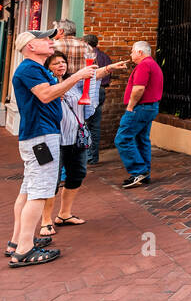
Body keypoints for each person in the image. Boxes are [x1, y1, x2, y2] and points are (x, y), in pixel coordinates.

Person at [7, 29, 114, 266]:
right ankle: (24, 250)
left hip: (39, 135)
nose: (50, 41)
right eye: (44, 39)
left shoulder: (37, 69)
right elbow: (45, 95)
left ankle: (17, 241)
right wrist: (77, 77)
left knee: (28, 189)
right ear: (30, 47)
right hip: (41, 137)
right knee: (41, 190)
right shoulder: (30, 69)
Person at [40, 50, 104, 235]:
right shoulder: (45, 86)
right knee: (50, 180)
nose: (61, 65)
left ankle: (64, 214)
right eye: (55, 63)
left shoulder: (74, 83)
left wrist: (107, 69)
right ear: (47, 67)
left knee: (77, 174)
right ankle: (46, 220)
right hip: (51, 139)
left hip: (75, 137)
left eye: (63, 62)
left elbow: (91, 82)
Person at [115, 40, 164, 189]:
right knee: (141, 140)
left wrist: (130, 106)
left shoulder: (143, 65)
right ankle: (144, 174)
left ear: (140, 53)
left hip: (140, 108)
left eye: (132, 51)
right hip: (150, 108)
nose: (131, 54)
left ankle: (138, 171)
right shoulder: (153, 65)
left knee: (122, 139)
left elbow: (138, 89)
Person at [82, 34, 113, 165]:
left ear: (86, 43)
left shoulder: (87, 56)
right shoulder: (105, 57)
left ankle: (88, 156)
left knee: (85, 124)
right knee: (95, 125)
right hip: (102, 91)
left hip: (90, 90)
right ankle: (93, 156)